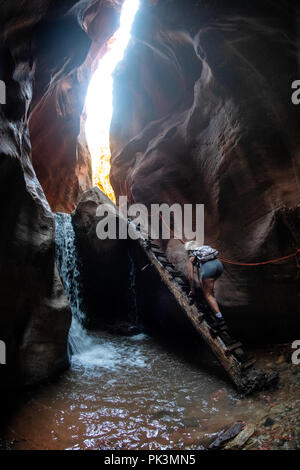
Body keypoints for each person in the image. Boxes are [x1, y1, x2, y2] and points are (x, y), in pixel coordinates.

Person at [185, 242, 224, 321]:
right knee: (209, 289)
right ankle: (212, 305)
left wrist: (192, 290)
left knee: (208, 295)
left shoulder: (191, 258)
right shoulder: (204, 250)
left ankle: (219, 317)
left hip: (209, 269)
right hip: (219, 266)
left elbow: (191, 278)